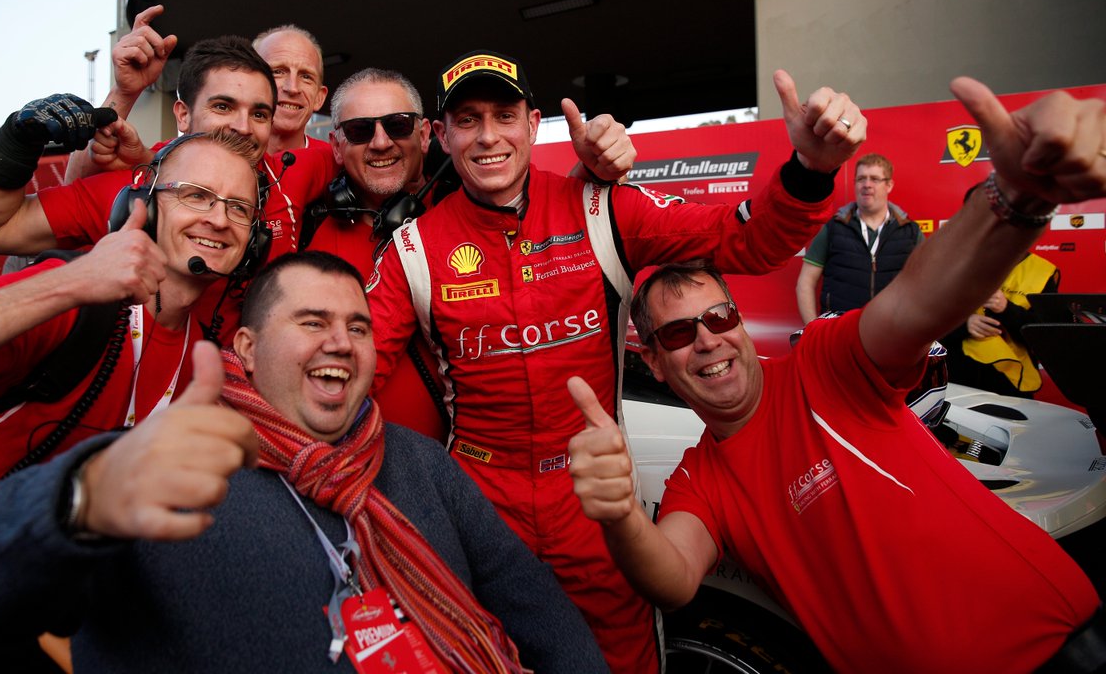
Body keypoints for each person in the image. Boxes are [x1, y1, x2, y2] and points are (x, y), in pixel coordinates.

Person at [567, 79, 1106, 673]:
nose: (707, 339)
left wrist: (1015, 197)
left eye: (720, 316)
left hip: (1063, 652)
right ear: (656, 365)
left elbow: (922, 299)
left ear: (740, 323)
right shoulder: (703, 480)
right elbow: (671, 579)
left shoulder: (824, 363)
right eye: (677, 333)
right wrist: (619, 517)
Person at [366, 49, 866, 673]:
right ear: (442, 136)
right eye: (467, 120)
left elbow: (746, 240)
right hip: (480, 507)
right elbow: (352, 364)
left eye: (504, 115)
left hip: (595, 501)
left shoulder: (602, 208)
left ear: (533, 122)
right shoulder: (413, 247)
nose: (488, 135)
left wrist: (810, 171)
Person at [0, 251, 608, 674]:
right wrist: (80, 497)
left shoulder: (420, 463)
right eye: (311, 322)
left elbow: (540, 610)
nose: (341, 342)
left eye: (358, 327)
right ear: (246, 348)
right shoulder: (163, 467)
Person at [0, 129, 264, 669]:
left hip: (13, 606)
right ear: (143, 204)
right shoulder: (75, 296)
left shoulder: (203, 369)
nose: (218, 218)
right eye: (196, 195)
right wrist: (72, 282)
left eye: (238, 207)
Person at [0, 38, 334, 341]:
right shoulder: (139, 183)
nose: (242, 127)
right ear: (183, 115)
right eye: (222, 106)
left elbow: (372, 154)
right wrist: (13, 143)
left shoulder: (296, 171)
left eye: (259, 114)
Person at [306, 68, 452, 439]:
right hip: (334, 458)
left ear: (423, 135)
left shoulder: (466, 213)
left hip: (449, 469)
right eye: (360, 130)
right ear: (337, 146)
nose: (381, 142)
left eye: (398, 125)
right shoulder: (304, 230)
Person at [795, 151, 924, 323]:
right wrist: (813, 331)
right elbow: (805, 283)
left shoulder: (910, 232)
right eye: (861, 178)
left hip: (894, 334)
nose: (867, 185)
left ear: (889, 185)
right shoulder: (833, 228)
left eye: (875, 179)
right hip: (839, 334)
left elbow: (929, 285)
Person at [942, 250, 1059, 397]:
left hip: (1011, 383)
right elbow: (925, 323)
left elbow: (1046, 336)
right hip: (958, 376)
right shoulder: (955, 264)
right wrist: (964, 325)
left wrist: (1006, 309)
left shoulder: (1041, 271)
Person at [252, 24, 330, 155]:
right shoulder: (221, 161)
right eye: (278, 72)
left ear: (319, 98)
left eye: (306, 76)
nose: (292, 88)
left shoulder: (338, 166)